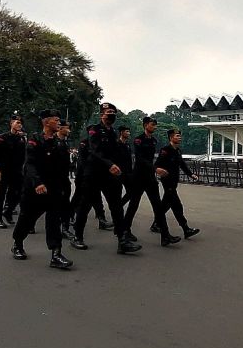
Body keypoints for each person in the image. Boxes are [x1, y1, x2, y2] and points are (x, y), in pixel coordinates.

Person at [71, 102, 141, 254]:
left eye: (113, 112)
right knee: (84, 206)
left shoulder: (113, 133)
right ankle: (77, 236)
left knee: (116, 207)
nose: (111, 114)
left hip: (110, 176)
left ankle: (122, 241)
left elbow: (116, 153)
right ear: (101, 114)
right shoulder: (94, 131)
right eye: (108, 111)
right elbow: (95, 151)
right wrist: (110, 164)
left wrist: (123, 171)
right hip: (94, 174)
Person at [10, 109, 74, 269]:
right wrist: (37, 183)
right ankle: (17, 244)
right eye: (56, 120)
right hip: (34, 189)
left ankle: (56, 254)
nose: (59, 123)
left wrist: (63, 188)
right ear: (46, 122)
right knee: (27, 219)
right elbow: (30, 164)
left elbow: (63, 168)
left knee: (54, 221)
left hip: (53, 190)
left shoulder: (59, 143)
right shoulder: (35, 140)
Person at [124, 117, 181, 246]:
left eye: (155, 125)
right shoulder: (138, 140)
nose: (155, 127)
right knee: (133, 205)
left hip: (150, 177)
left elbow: (150, 159)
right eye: (152, 125)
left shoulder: (154, 141)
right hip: (138, 177)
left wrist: (154, 170)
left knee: (158, 207)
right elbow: (140, 159)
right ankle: (125, 230)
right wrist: (156, 168)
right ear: (145, 125)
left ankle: (165, 236)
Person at [155, 128, 201, 239]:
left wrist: (191, 174)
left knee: (165, 205)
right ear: (171, 137)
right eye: (177, 136)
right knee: (177, 206)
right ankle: (186, 229)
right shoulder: (165, 150)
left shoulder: (177, 150)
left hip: (174, 181)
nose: (179, 137)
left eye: (180, 136)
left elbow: (182, 165)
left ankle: (156, 223)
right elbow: (157, 164)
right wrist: (157, 170)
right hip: (167, 182)